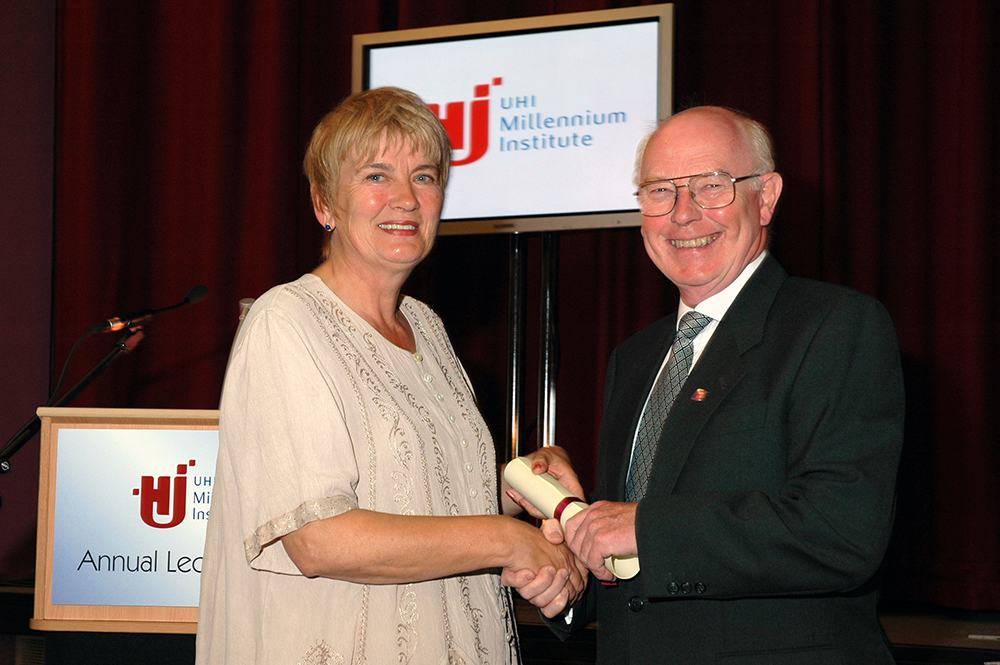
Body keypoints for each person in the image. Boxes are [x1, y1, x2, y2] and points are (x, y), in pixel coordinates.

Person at [196, 87, 586, 665]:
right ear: (325, 203)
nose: (406, 198)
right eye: (377, 176)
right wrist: (508, 540)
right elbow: (318, 539)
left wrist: (516, 490)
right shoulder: (286, 320)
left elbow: (423, 499)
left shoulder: (426, 326)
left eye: (424, 177)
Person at [515, 106, 905, 663]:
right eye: (660, 191)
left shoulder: (835, 326)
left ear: (766, 197)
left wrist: (641, 529)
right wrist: (571, 578)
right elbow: (632, 563)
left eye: (711, 186)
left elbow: (840, 532)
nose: (683, 214)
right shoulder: (635, 358)